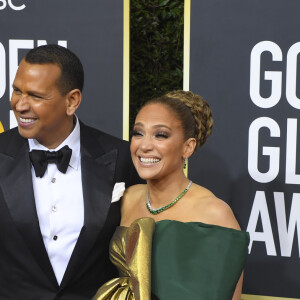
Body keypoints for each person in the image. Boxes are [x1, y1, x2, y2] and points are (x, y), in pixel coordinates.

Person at [0, 44, 141, 299]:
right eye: (16, 91)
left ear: (72, 100)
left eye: (36, 96)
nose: (20, 105)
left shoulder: (122, 157)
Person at [93, 90, 249, 300]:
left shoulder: (214, 214)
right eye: (138, 133)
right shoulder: (128, 198)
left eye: (160, 135)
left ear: (188, 147)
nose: (144, 146)